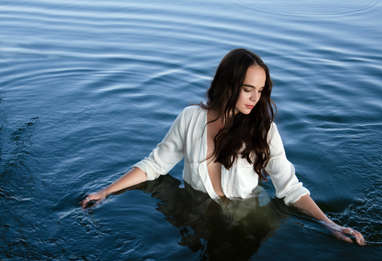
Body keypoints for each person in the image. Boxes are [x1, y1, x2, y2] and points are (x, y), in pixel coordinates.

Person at [81, 48, 366, 246]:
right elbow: (155, 165)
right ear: (228, 85)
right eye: (247, 88)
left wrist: (331, 226)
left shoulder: (264, 132)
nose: (256, 98)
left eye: (261, 90)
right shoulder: (190, 118)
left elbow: (290, 189)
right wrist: (105, 191)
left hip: (249, 221)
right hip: (195, 214)